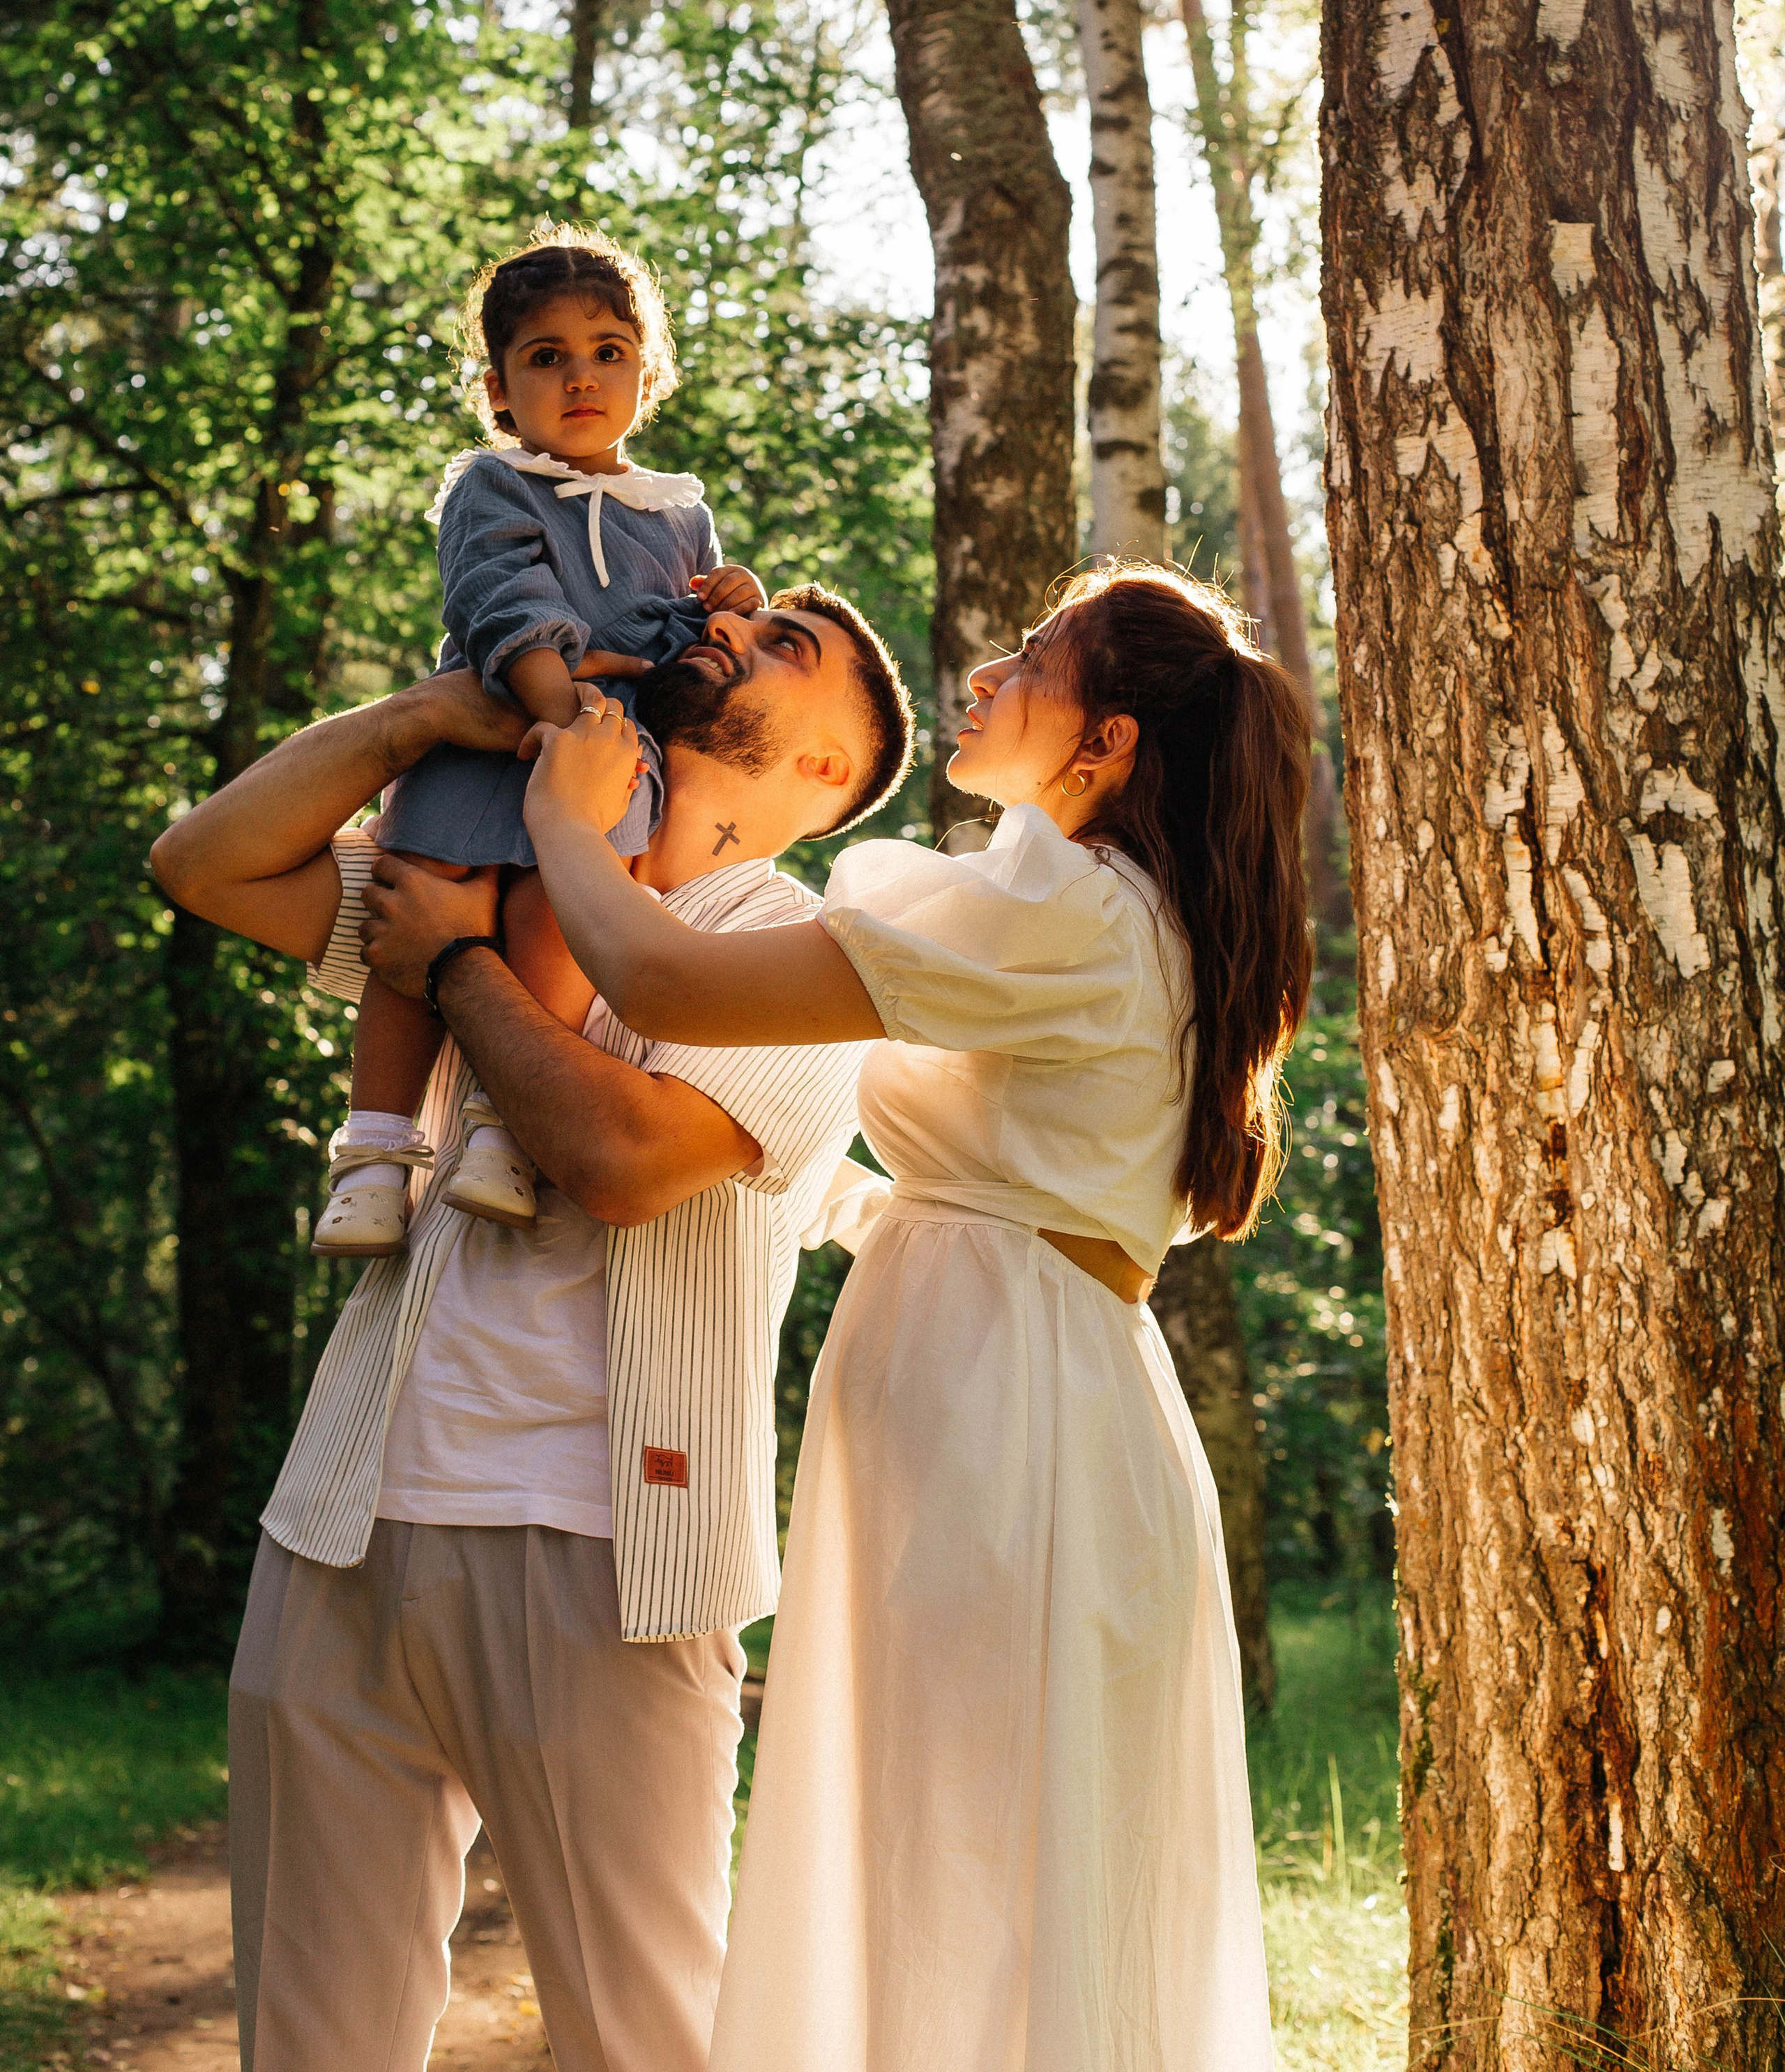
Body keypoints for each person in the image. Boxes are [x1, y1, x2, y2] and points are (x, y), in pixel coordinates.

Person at [517, 561, 1312, 2072]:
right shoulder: (1075, 911)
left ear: (1107, 744)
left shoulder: (1073, 909)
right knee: (957, 1859)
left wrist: (560, 816)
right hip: (1012, 1386)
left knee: (970, 1866)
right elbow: (1001, 1186)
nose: (987, 671)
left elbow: (662, 976)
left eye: (1033, 658)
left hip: (1012, 1428)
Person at [146, 587, 913, 2072]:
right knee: (310, 2043)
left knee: (646, 2043)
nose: (736, 635)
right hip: (342, 1524)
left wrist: (451, 969)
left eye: (785, 653)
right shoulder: (479, 870)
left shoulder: (808, 960)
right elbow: (206, 862)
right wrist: (426, 719)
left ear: (823, 774)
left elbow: (620, 1164)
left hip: (610, 1559)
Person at [319, 218, 766, 1256]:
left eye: (609, 352)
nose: (581, 377)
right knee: (425, 903)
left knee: (555, 915)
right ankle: (375, 1154)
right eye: (546, 357)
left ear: (647, 377)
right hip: (492, 737)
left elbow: (691, 638)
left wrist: (729, 603)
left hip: (608, 757)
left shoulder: (677, 513)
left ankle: (502, 1130)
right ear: (498, 391)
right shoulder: (491, 485)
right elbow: (500, 596)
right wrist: (554, 704)